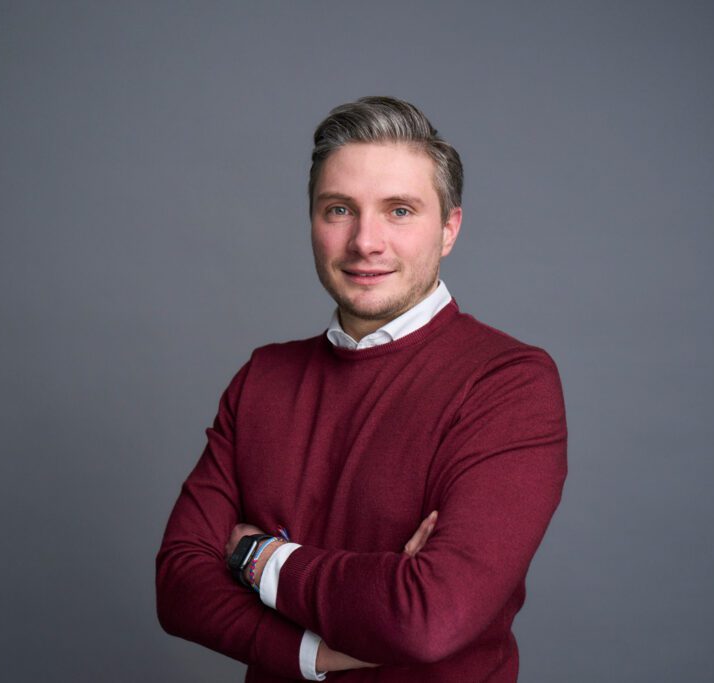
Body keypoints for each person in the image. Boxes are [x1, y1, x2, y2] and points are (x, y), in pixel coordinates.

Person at [156, 96, 567, 682]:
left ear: (449, 228)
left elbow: (428, 617)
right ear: (312, 222)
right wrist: (315, 653)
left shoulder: (508, 383)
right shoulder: (264, 378)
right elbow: (178, 586)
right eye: (339, 209)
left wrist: (258, 556)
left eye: (399, 210)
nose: (365, 241)